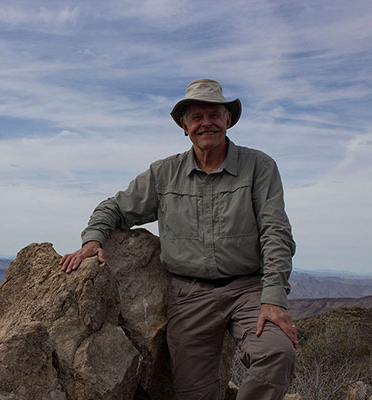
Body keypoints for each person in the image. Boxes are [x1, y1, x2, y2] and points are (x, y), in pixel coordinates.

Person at [59, 79, 297, 399]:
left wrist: (273, 297)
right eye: (196, 117)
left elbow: (276, 231)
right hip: (189, 295)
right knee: (193, 393)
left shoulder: (259, 167)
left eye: (214, 114)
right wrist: (93, 240)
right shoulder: (164, 173)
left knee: (276, 353)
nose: (206, 123)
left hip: (250, 290)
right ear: (184, 126)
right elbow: (114, 207)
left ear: (228, 120)